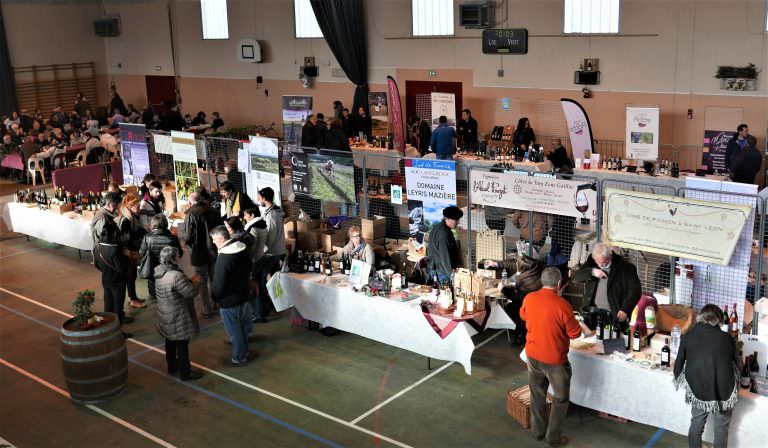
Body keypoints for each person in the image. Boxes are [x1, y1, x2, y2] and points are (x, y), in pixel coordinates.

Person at [520, 267, 592, 447]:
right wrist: (580, 325)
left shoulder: (529, 298)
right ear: (559, 284)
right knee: (560, 398)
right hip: (555, 361)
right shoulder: (563, 305)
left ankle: (537, 431)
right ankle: (553, 437)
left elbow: (523, 315)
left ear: (541, 282)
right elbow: (574, 334)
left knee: (537, 394)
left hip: (533, 355)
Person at [673, 304, 738, 448]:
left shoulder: (688, 335)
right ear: (719, 320)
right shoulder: (727, 338)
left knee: (697, 423)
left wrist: (679, 377)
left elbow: (678, 364)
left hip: (698, 386)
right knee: (721, 429)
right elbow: (736, 364)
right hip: (724, 389)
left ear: (701, 317)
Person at [154, 246, 203, 381]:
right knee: (182, 343)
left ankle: (172, 367)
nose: (179, 258)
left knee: (170, 341)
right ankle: (186, 373)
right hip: (178, 314)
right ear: (173, 259)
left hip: (165, 313)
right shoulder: (176, 275)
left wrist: (189, 281)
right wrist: (197, 283)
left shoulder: (159, 272)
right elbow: (190, 293)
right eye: (177, 256)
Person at [210, 225, 253, 367]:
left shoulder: (224, 258)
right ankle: (245, 351)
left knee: (234, 331)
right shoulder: (243, 248)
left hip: (229, 301)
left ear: (222, 238)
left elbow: (219, 283)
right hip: (243, 295)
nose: (214, 242)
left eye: (215, 239)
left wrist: (215, 297)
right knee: (241, 327)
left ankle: (239, 358)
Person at [574, 243, 641, 324]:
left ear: (610, 257)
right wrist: (592, 271)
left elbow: (635, 291)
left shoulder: (626, 267)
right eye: (597, 262)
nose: (599, 265)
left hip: (613, 314)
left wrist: (626, 309)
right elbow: (577, 277)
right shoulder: (592, 261)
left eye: (603, 262)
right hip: (592, 312)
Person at [183, 189, 223, 318]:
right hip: (213, 249)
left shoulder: (191, 214)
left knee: (202, 281)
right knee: (214, 278)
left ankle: (207, 309)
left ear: (191, 201)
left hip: (198, 252)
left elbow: (187, 236)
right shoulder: (214, 211)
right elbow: (221, 229)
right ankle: (217, 303)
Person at [94, 221, 133, 336]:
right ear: (114, 233)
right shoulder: (115, 249)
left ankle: (106, 329)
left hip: (106, 279)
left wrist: (106, 271)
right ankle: (118, 332)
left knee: (108, 305)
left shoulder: (97, 247)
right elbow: (121, 268)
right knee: (118, 307)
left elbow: (96, 264)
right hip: (117, 282)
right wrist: (127, 257)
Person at [501, 255, 545, 345]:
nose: (516, 265)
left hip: (527, 308)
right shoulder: (535, 272)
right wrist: (496, 263)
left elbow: (517, 297)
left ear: (523, 269)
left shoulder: (528, 281)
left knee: (510, 308)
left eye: (518, 265)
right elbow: (513, 263)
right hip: (536, 306)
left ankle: (520, 335)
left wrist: (503, 289)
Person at [140, 214, 183, 301]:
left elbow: (141, 253)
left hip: (152, 268)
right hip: (170, 269)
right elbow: (180, 253)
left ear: (153, 224)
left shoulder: (147, 238)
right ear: (166, 223)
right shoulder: (173, 238)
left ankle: (154, 296)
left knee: (154, 292)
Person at [116, 193, 147, 309]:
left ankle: (133, 297)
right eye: (137, 207)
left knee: (132, 275)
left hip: (131, 250)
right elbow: (127, 238)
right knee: (130, 275)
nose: (139, 209)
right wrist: (142, 231)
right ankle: (132, 299)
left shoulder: (130, 216)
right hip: (128, 252)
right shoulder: (126, 220)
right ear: (130, 206)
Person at [243, 207, 268, 324]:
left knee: (254, 288)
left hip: (254, 261)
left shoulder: (253, 229)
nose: (244, 217)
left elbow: (252, 249)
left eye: (246, 215)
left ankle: (258, 314)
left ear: (252, 215)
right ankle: (263, 311)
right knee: (261, 287)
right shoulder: (263, 225)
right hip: (262, 258)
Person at [427, 206, 463, 283]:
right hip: (442, 272)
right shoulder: (444, 235)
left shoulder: (437, 227)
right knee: (446, 294)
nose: (458, 222)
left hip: (436, 269)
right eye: (456, 220)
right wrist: (452, 276)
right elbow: (445, 258)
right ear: (448, 219)